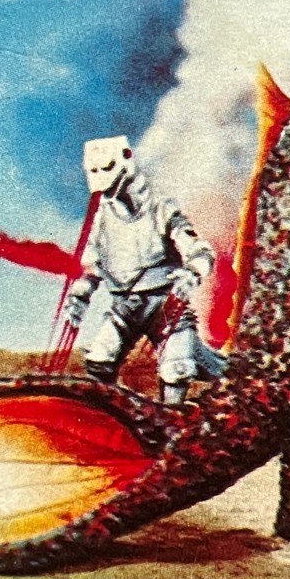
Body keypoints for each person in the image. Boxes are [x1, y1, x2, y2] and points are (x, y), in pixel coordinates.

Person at [64, 135, 227, 404]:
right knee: (99, 360)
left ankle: (173, 418)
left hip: (165, 306)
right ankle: (110, 416)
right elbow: (91, 267)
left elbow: (199, 250)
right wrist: (79, 297)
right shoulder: (100, 219)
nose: (100, 178)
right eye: (92, 170)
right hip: (124, 307)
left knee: (177, 369)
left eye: (106, 167)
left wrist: (192, 273)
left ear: (126, 159)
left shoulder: (161, 208)